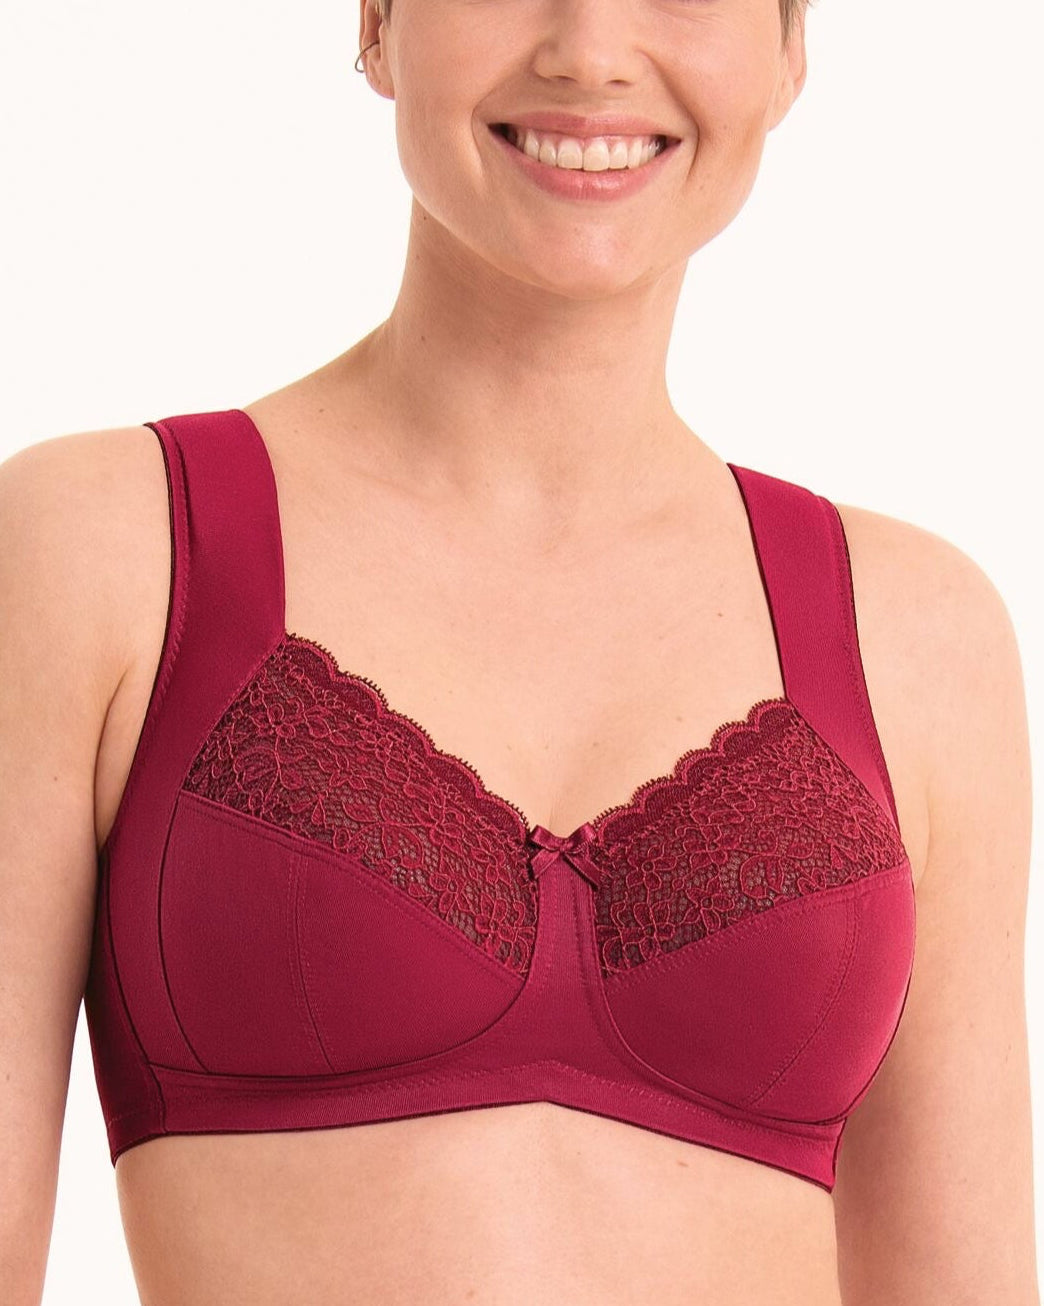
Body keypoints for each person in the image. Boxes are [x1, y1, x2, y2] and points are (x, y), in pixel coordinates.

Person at [1, 0, 1038, 1302]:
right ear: (378, 22)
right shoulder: (102, 550)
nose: (588, 50)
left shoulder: (921, 637)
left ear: (789, 53)